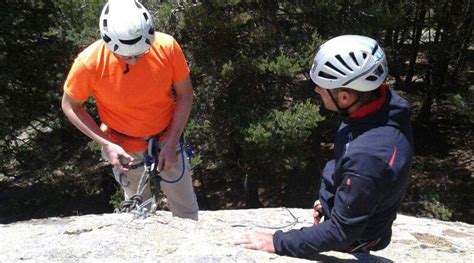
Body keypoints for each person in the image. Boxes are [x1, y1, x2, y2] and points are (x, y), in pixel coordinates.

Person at [234, 35, 413, 258]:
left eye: (323, 86)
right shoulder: (378, 106)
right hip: (354, 211)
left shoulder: (369, 158)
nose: (316, 90)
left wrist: (278, 241)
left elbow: (341, 231)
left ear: (346, 96)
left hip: (355, 240)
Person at [61, 0, 198, 220]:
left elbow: (185, 94)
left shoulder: (167, 47)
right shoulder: (90, 62)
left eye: (141, 53)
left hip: (166, 137)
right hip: (123, 145)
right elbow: (70, 105)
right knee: (139, 211)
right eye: (126, 56)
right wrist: (106, 144)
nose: (134, 61)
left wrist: (172, 142)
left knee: (185, 208)